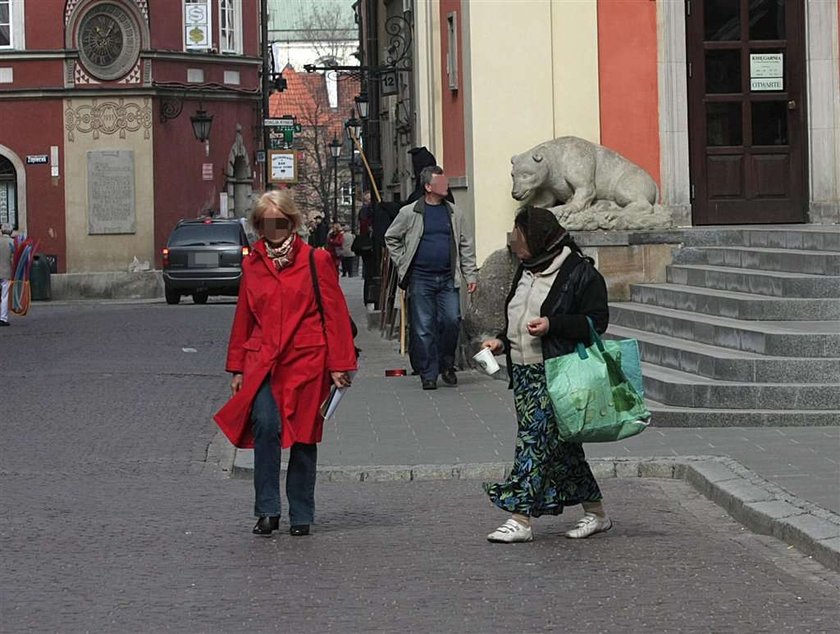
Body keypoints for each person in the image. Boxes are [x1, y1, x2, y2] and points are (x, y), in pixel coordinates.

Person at [214, 190, 357, 537]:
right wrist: (236, 367)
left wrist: (339, 365)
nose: (272, 230)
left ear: (291, 221)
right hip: (262, 361)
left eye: (278, 223)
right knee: (265, 425)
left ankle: (302, 513)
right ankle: (267, 509)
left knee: (305, 437)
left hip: (307, 359)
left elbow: (335, 315)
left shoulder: (315, 260)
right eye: (265, 224)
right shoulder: (252, 264)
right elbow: (244, 316)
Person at [481, 206, 612, 543]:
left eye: (520, 238)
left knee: (533, 443)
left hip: (557, 371)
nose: (514, 243)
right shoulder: (526, 270)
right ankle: (596, 513)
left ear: (539, 239)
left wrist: (553, 325)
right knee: (565, 449)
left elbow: (595, 322)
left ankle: (520, 519)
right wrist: (500, 340)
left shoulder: (579, 273)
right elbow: (518, 315)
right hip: (523, 374)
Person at [385, 166, 477, 390]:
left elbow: (466, 244)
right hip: (421, 278)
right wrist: (403, 261)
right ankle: (429, 372)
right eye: (440, 183)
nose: (445, 186)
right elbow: (391, 237)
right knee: (423, 327)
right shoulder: (410, 213)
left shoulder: (454, 213)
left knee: (451, 321)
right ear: (428, 187)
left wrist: (470, 273)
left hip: (447, 278)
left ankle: (447, 363)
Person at [0, 223, 13, 327]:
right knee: (4, 295)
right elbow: (14, 259)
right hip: (6, 272)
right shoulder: (12, 243)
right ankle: (3, 318)